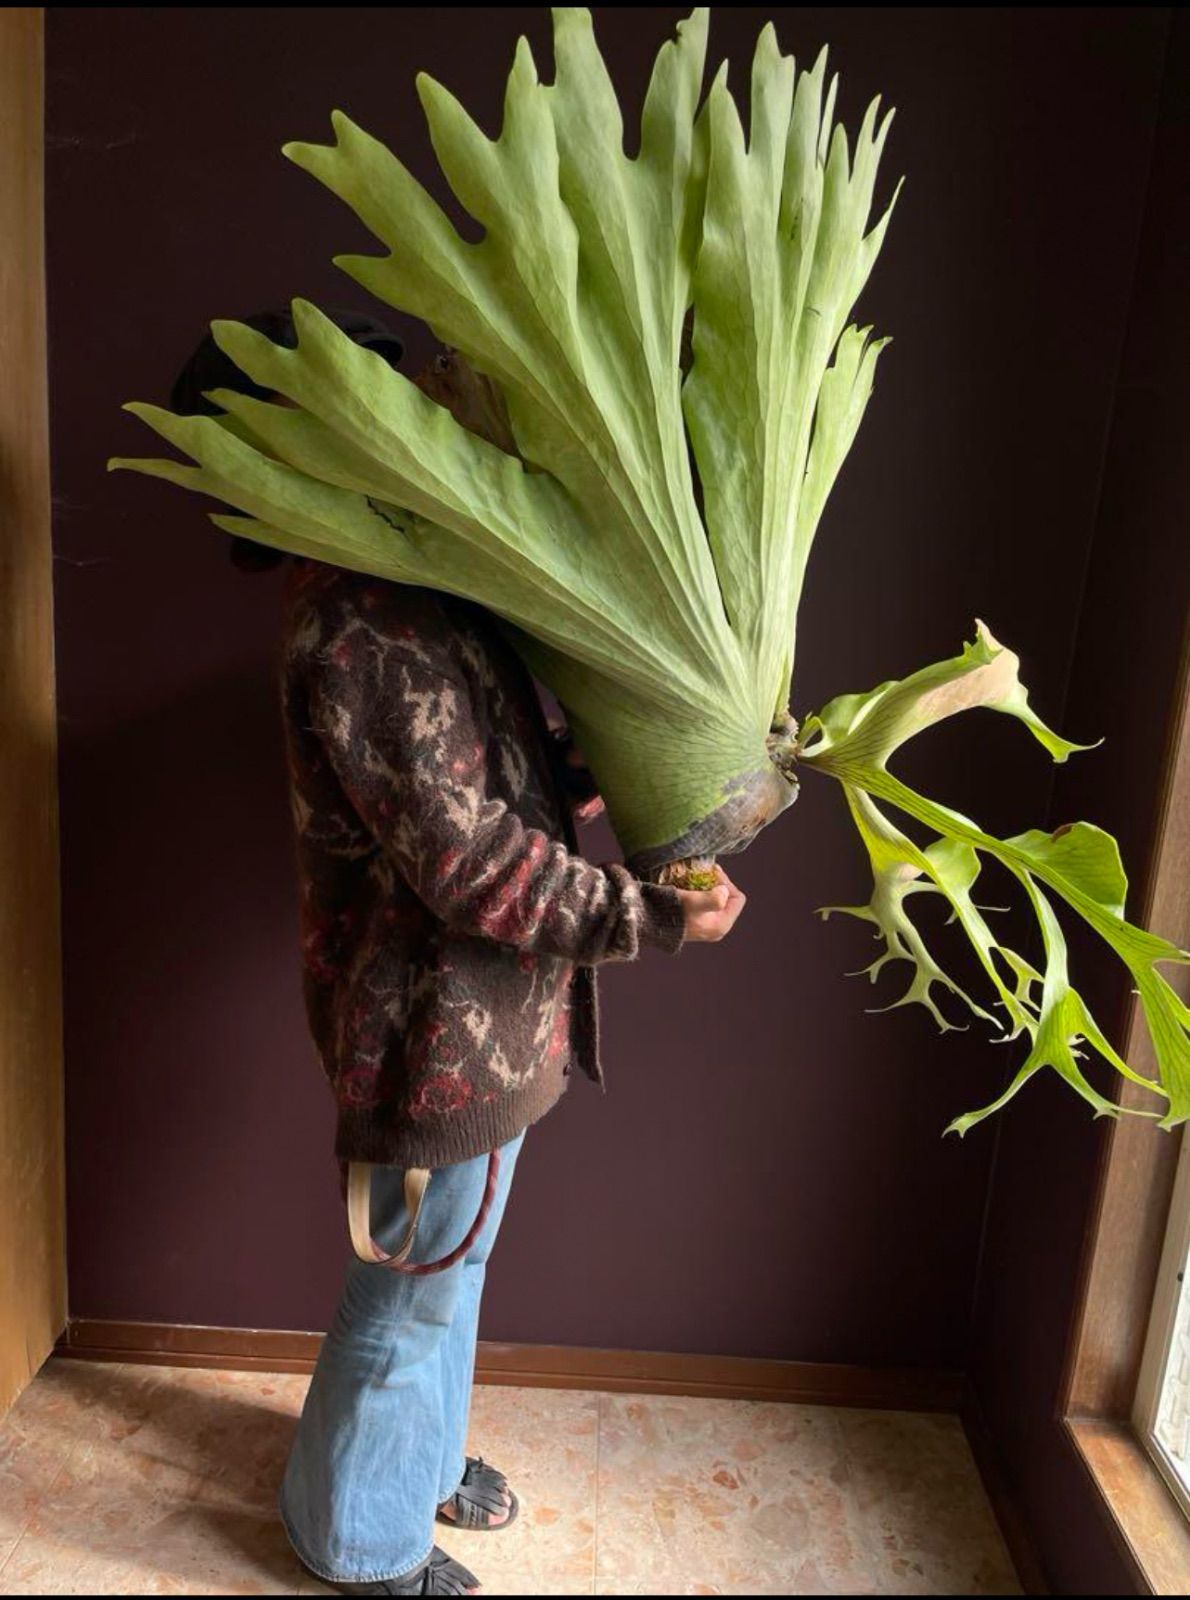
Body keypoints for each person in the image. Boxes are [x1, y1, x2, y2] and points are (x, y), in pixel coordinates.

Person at [171, 310, 747, 1597]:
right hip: (427, 1029)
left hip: (487, 1017)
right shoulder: (359, 628)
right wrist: (645, 917)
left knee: (451, 1266)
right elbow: (468, 863)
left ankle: (410, 1469)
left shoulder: (414, 587)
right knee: (408, 1288)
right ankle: (357, 1543)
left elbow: (505, 780)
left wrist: (668, 772)